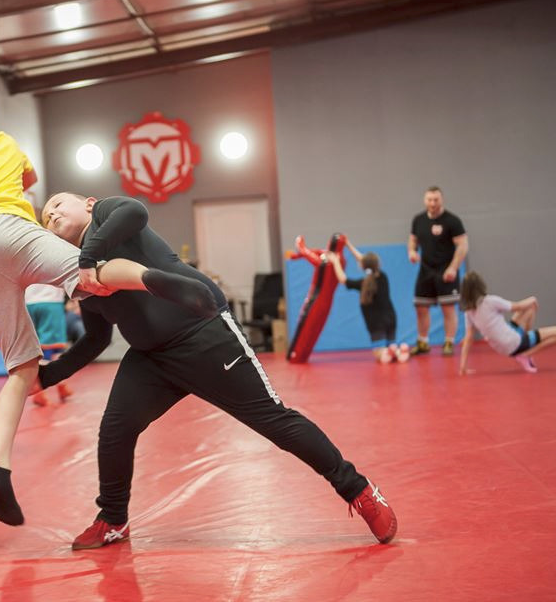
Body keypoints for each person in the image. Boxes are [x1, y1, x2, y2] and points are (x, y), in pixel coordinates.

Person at [0, 84, 216, 526]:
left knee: (20, 370)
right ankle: (157, 281)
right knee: (94, 272)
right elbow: (27, 181)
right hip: (11, 230)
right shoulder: (4, 142)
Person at [35, 193, 397, 549]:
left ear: (87, 202)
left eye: (56, 204)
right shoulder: (80, 279)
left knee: (274, 420)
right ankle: (113, 520)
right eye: (45, 217)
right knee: (115, 430)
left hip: (203, 334)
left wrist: (89, 255)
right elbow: (95, 340)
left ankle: (359, 490)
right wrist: (47, 376)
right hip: (151, 358)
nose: (50, 213)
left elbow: (136, 210)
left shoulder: (109, 213)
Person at [458, 271, 556, 375]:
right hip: (515, 342)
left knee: (530, 308)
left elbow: (468, 338)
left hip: (503, 347)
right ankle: (526, 354)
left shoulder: (469, 312)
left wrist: (462, 366)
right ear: (480, 286)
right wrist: (532, 299)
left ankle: (526, 342)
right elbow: (517, 306)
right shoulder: (490, 301)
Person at [408, 186, 468, 356]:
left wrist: (453, 268)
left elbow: (463, 245)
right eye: (429, 200)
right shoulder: (418, 220)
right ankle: (423, 343)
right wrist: (412, 252)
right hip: (426, 271)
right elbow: (412, 240)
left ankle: (449, 342)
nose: (432, 203)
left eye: (436, 200)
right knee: (421, 307)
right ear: (424, 200)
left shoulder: (452, 221)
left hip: (446, 271)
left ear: (442, 200)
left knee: (448, 308)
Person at [327, 240, 408, 363]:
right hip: (391, 318)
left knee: (379, 355)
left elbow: (343, 279)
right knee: (390, 347)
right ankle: (396, 350)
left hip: (376, 322)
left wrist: (335, 261)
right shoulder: (383, 276)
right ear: (377, 264)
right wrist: (348, 244)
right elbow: (365, 261)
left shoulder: (363, 283)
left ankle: (390, 352)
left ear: (362, 266)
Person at [25, 283, 74, 406]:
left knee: (38, 347)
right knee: (53, 348)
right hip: (51, 301)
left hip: (28, 303)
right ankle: (40, 389)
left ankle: (60, 385)